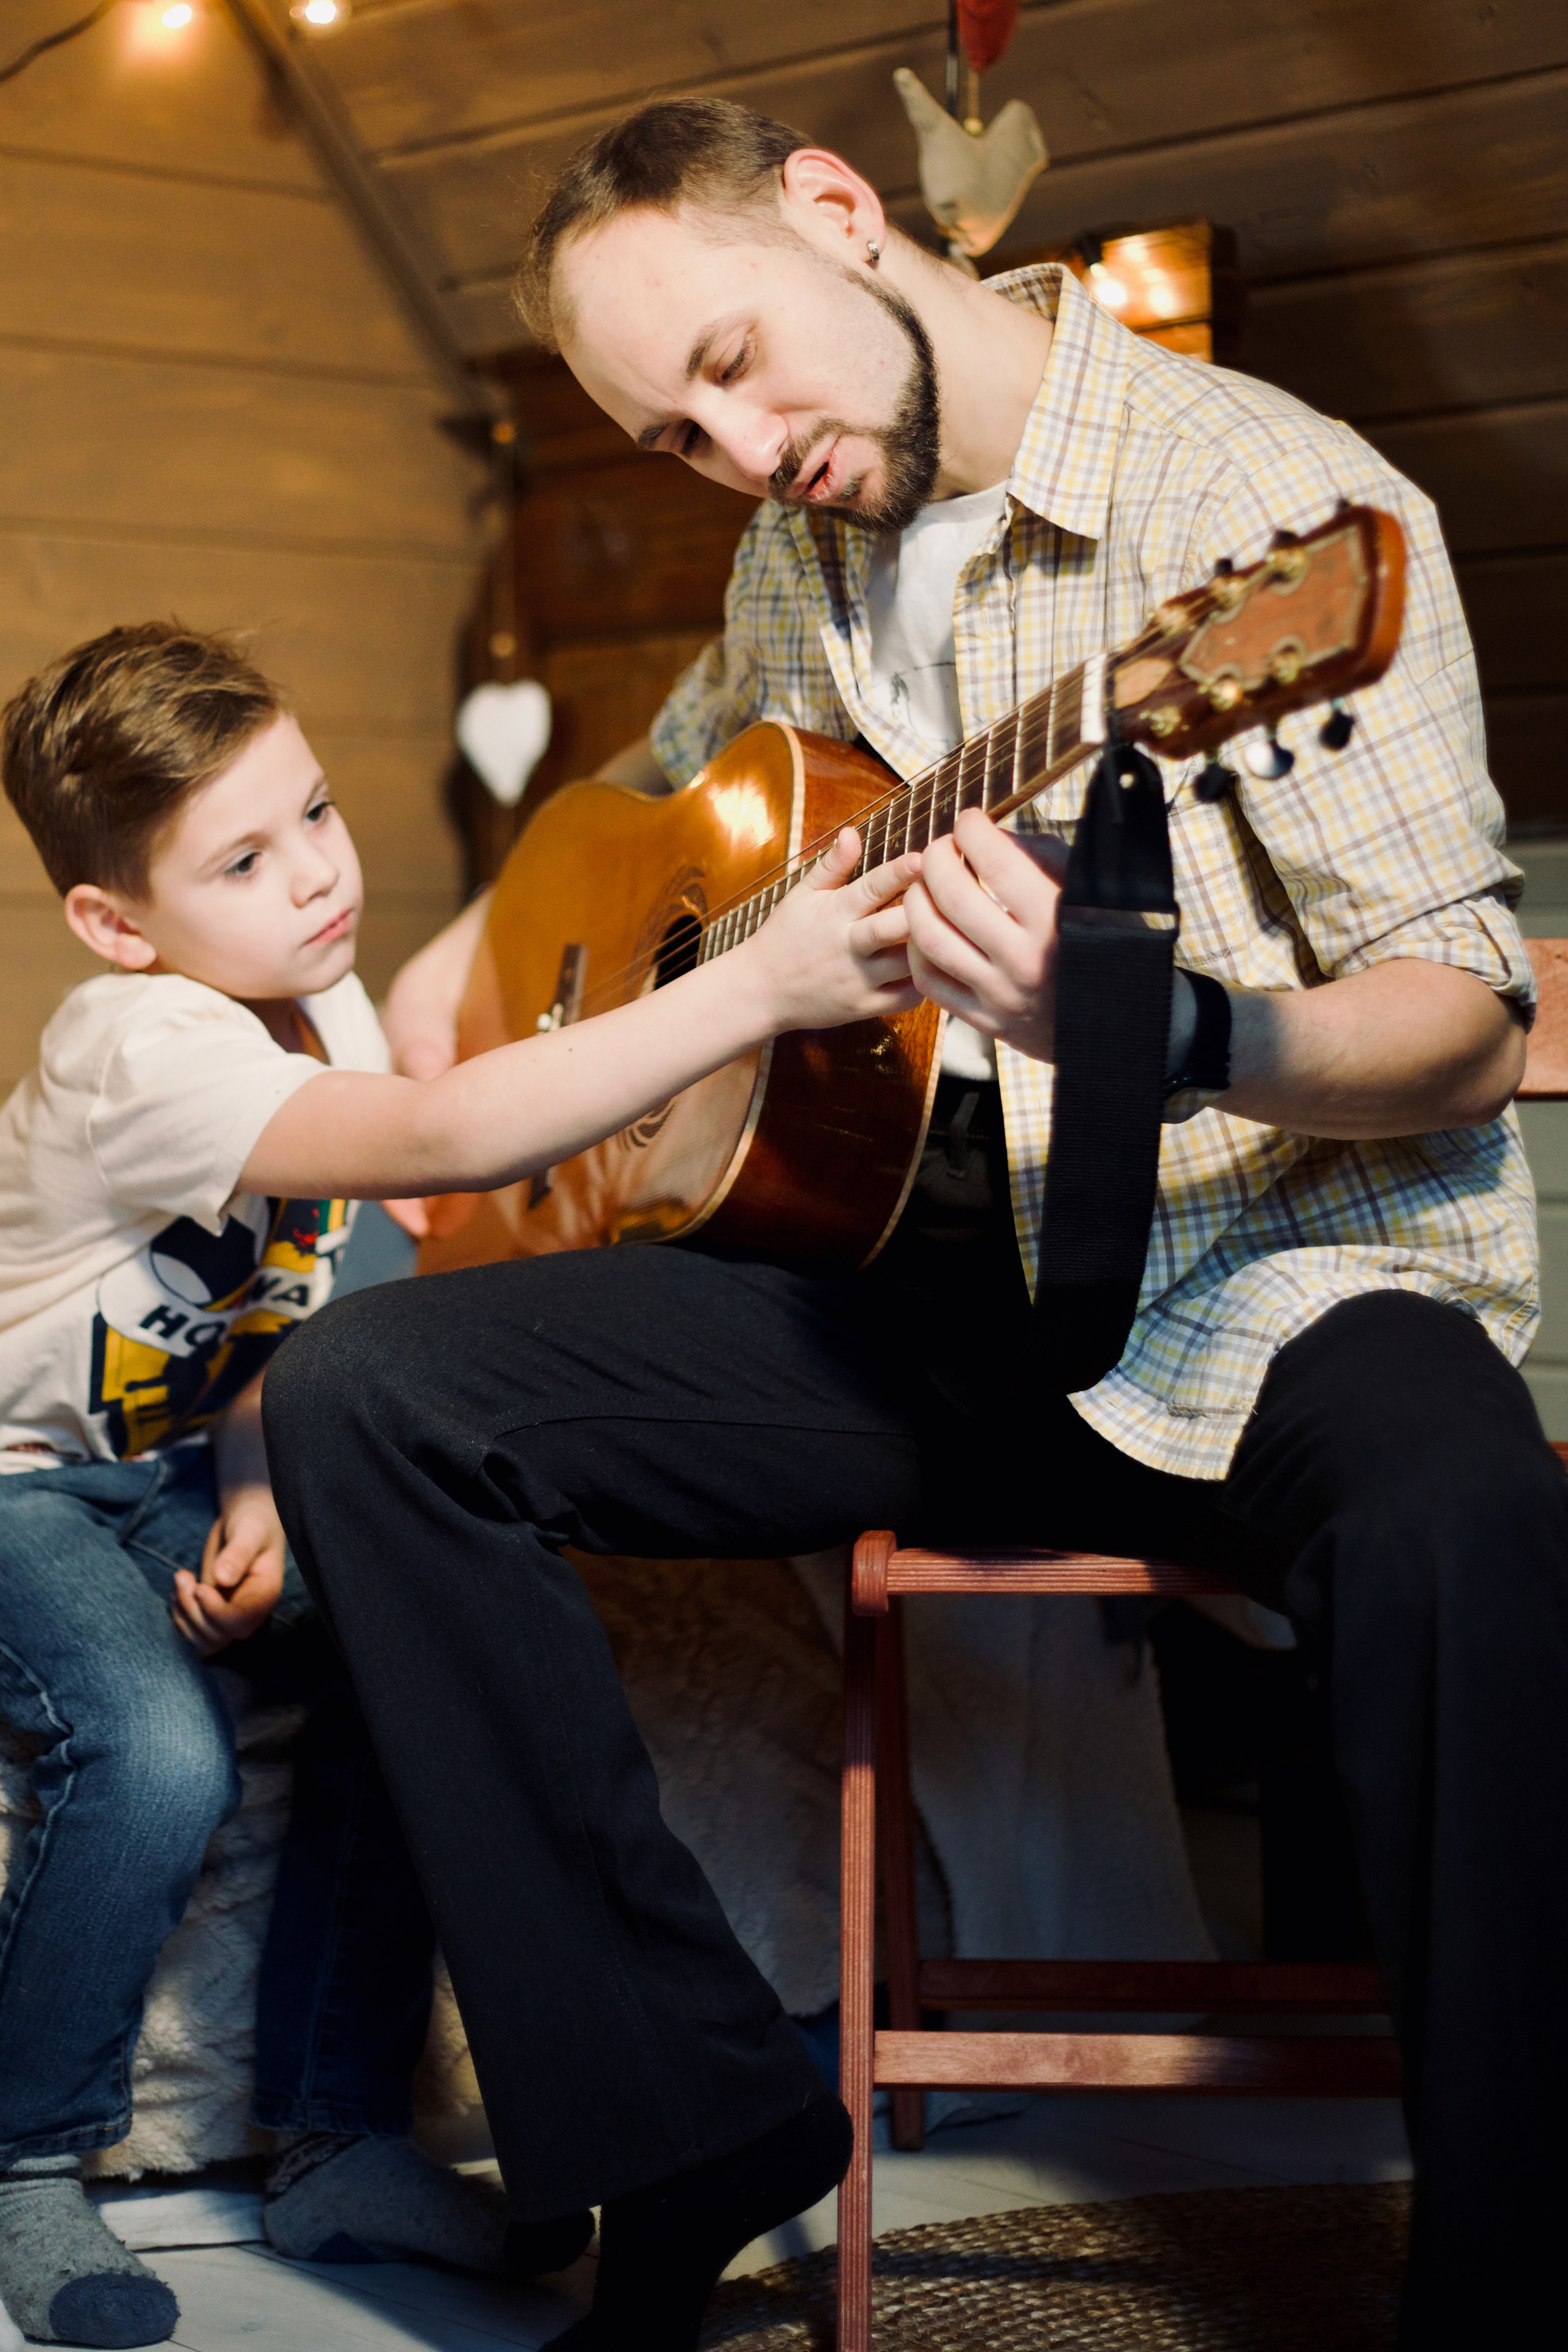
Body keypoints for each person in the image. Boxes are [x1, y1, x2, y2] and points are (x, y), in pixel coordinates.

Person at [260, 99, 1565, 2352]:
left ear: (850, 217)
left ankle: (1521, 2266)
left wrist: (1156, 1026)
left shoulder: (1268, 513)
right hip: (914, 1300)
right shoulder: (804, 548)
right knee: (372, 1393)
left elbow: (1462, 1021)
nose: (744, 444)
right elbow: (655, 806)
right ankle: (690, 2133)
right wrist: (489, 986)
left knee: (1464, 1503)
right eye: (680, 431)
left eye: (748, 365)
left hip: (1262, 1279)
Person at [0, 621, 915, 2347]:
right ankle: (26, 2160)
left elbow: (286, 1303)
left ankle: (337, 2139)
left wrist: (267, 1484)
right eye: (247, 861)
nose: (320, 880)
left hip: (187, 1459)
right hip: (23, 1485)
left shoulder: (317, 994)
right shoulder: (141, 1048)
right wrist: (762, 983)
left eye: (321, 816)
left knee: (393, 1647)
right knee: (159, 1750)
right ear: (120, 926)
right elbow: (441, 1142)